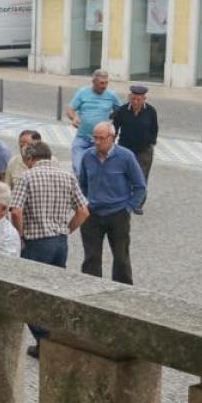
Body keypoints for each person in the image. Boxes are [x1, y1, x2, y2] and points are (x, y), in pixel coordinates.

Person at [10, 142, 89, 358]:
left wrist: (20, 234)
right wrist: (66, 230)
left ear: (29, 159)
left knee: (28, 294)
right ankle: (57, 336)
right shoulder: (67, 176)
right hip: (59, 242)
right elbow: (83, 211)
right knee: (54, 292)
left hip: (36, 243)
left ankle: (44, 339)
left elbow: (16, 211)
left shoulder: (27, 177)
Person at [78, 122, 146, 285]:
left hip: (117, 214)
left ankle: (123, 290)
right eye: (95, 138)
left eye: (101, 138)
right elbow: (82, 184)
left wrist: (128, 208)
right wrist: (85, 204)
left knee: (121, 258)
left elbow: (140, 186)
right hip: (92, 214)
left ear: (112, 138)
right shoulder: (88, 156)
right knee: (91, 258)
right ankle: (90, 288)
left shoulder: (126, 156)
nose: (97, 142)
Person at [112, 84, 158, 215]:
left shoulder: (151, 111)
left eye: (138, 99)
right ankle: (122, 200)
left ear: (144, 99)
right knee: (123, 176)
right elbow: (114, 128)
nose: (135, 102)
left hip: (144, 150)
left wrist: (151, 143)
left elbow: (154, 129)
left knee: (141, 177)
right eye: (133, 99)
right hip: (125, 149)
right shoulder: (122, 111)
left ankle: (138, 203)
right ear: (130, 98)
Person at [66, 69, 121, 176]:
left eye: (106, 83)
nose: (104, 86)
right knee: (78, 168)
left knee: (100, 171)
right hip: (83, 138)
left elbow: (120, 110)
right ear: (94, 82)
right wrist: (73, 118)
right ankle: (80, 188)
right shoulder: (82, 92)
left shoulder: (112, 95)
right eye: (101, 83)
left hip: (102, 140)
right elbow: (70, 109)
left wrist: (112, 122)